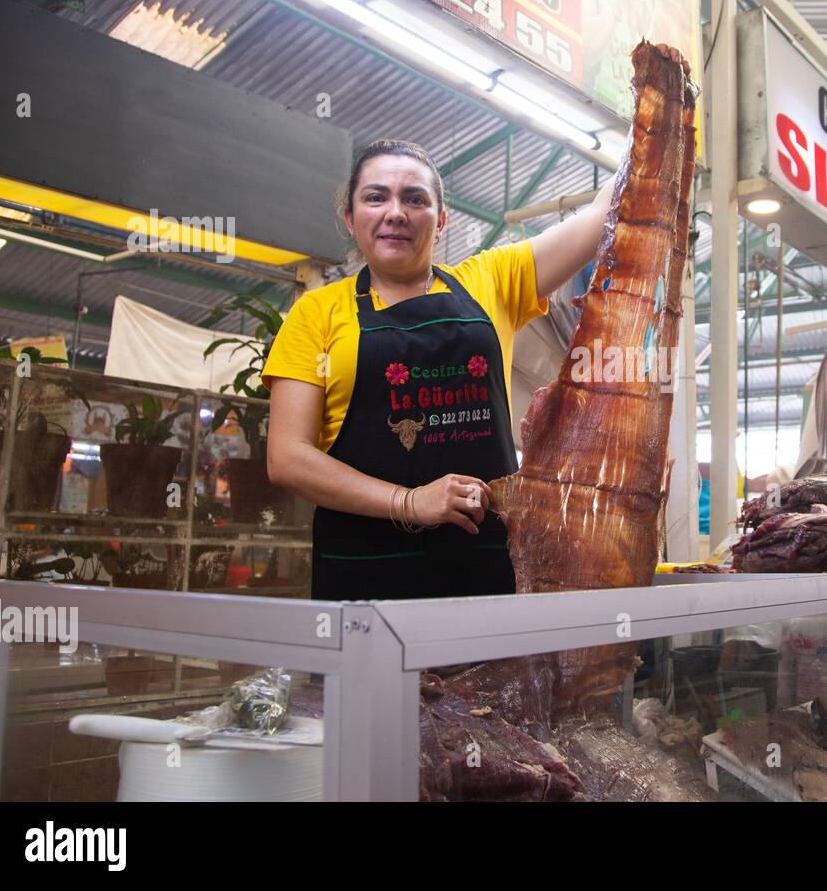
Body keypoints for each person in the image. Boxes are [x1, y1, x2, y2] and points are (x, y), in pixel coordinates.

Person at [263, 65, 688, 602]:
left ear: (441, 220)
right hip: (362, 577)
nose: (396, 212)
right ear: (349, 218)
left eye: (415, 199)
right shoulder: (315, 314)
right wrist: (410, 502)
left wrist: (662, 112)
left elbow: (604, 214)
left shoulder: (493, 281)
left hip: (483, 570)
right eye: (376, 198)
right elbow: (287, 458)